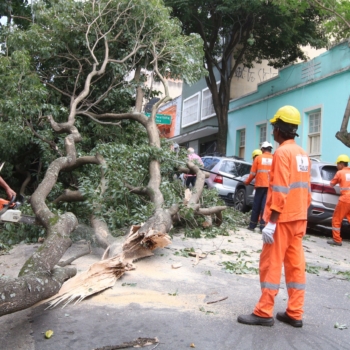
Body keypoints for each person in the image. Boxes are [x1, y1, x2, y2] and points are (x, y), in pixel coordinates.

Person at [237, 105, 311, 328]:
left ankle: (263, 311)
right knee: (295, 265)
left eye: (273, 128)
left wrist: (272, 221)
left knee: (270, 264)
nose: (272, 132)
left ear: (280, 129)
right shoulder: (302, 154)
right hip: (299, 217)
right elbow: (306, 189)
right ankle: (295, 312)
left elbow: (279, 189)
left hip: (282, 219)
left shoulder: (282, 153)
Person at [245, 143, 273, 232]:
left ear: (262, 149)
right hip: (270, 187)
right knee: (265, 207)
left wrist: (247, 182)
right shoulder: (274, 159)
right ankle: (263, 226)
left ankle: (252, 225)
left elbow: (252, 174)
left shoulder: (258, 158)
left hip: (260, 185)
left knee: (256, 205)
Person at [327, 154, 350, 246]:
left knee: (336, 219)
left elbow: (332, 184)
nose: (337, 166)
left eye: (337, 164)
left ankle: (337, 240)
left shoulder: (340, 173)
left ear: (341, 164)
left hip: (345, 199)